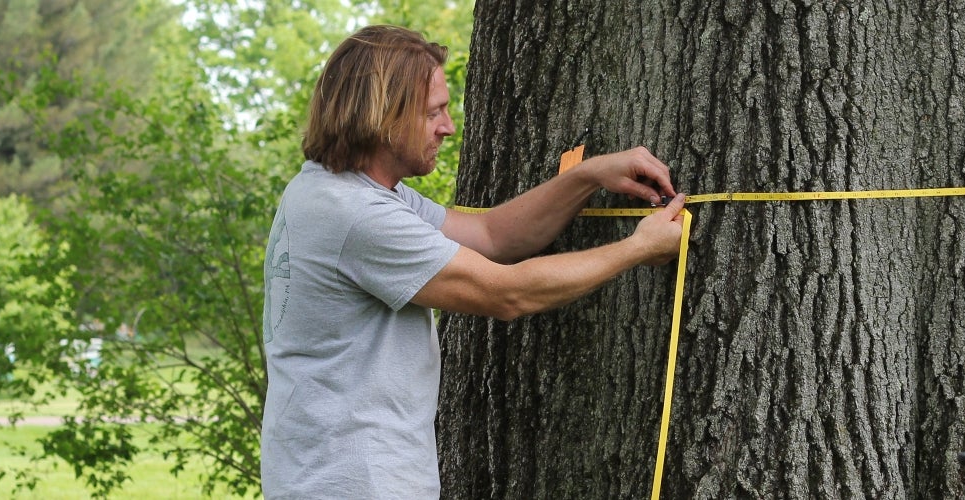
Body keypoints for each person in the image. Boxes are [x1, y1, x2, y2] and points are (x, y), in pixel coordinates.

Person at [260, 25, 687, 498]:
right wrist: (637, 247)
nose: (447, 126)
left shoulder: (335, 190)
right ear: (383, 117)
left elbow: (492, 235)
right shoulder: (356, 216)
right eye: (433, 113)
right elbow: (508, 292)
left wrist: (588, 175)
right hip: (356, 482)